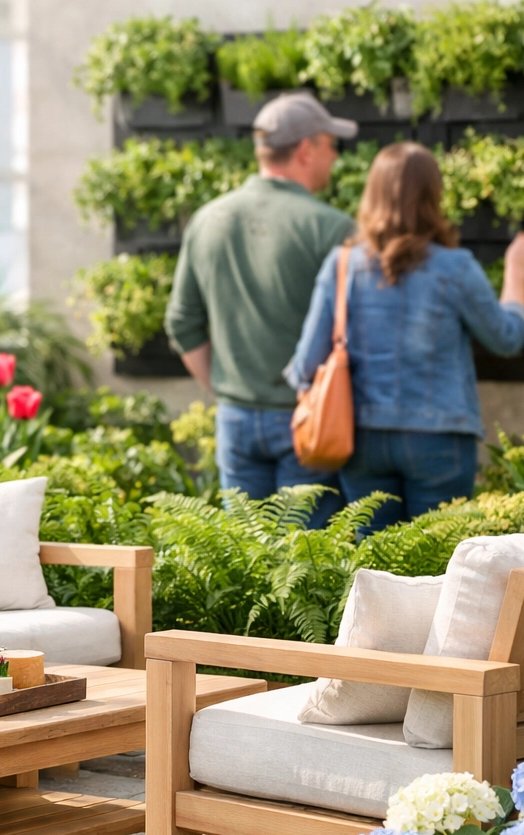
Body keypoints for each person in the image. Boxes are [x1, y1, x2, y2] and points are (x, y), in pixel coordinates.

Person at [285, 141, 524, 533]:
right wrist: (517, 273)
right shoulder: (455, 267)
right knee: (439, 564)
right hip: (440, 441)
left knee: (376, 565)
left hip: (362, 440)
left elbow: (305, 365)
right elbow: (507, 339)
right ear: (432, 196)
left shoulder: (341, 265)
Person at [165, 93, 358, 524]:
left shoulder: (208, 219)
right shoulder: (331, 228)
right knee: (304, 564)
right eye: (331, 145)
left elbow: (182, 321)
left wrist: (224, 389)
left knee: (248, 561)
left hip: (234, 418)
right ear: (306, 150)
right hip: (308, 420)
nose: (335, 157)